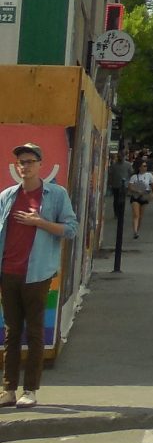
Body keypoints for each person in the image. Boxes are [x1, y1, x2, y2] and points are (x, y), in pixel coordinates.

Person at [1, 142, 78, 409]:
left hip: (37, 273)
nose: (25, 166)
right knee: (11, 332)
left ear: (40, 165)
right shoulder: (8, 195)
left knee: (34, 332)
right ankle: (8, 388)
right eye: (21, 162)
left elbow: (71, 229)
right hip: (8, 271)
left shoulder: (55, 195)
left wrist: (40, 222)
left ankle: (30, 389)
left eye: (30, 161)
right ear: (16, 166)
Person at [127, 154, 153, 239]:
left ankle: (137, 230)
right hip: (136, 197)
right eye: (144, 166)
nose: (145, 167)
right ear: (139, 167)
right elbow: (130, 186)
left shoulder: (149, 175)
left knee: (141, 216)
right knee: (136, 214)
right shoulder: (134, 176)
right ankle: (135, 231)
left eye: (146, 166)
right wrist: (136, 190)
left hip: (145, 196)